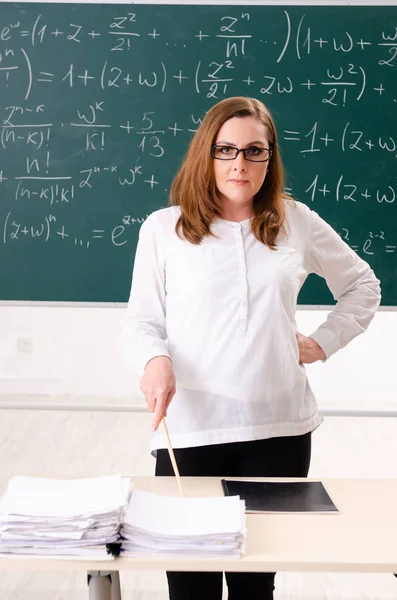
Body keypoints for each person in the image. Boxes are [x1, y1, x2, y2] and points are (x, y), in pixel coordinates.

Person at [121, 96, 381, 600]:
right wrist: (155, 361)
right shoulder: (163, 229)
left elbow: (362, 286)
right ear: (207, 155)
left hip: (279, 430)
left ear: (270, 157)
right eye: (226, 150)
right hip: (193, 432)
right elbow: (141, 322)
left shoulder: (296, 221)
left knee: (255, 582)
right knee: (190, 583)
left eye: (254, 151)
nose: (240, 163)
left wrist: (323, 342)